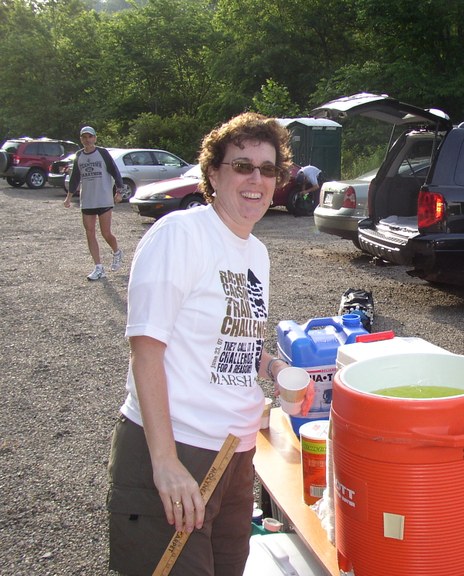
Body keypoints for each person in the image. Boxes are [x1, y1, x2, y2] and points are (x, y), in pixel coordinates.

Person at [107, 112, 294, 576]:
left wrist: (274, 371)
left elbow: (236, 341)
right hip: (179, 447)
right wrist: (165, 461)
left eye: (267, 169)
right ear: (214, 173)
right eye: (242, 165)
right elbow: (146, 350)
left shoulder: (256, 252)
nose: (256, 179)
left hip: (235, 452)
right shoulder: (180, 235)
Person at [63, 126, 125, 281]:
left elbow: (115, 172)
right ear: (81, 139)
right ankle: (98, 267)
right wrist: (69, 197)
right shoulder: (79, 156)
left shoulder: (102, 153)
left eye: (90, 137)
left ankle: (117, 252)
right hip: (87, 200)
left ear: (95, 138)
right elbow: (75, 178)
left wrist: (119, 191)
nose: (87, 140)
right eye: (84, 137)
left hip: (103, 198)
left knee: (106, 233)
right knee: (89, 232)